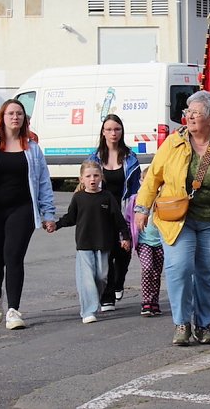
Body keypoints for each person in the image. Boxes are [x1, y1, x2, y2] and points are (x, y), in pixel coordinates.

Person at [133, 91, 210, 346]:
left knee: (208, 274)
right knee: (179, 268)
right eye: (188, 112)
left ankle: (204, 325)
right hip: (178, 219)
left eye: (196, 113)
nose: (190, 117)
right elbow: (153, 177)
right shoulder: (173, 143)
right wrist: (142, 209)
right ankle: (182, 323)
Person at [0, 99, 57, 330]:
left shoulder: (32, 148)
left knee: (14, 257)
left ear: (25, 119)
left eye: (19, 114)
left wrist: (48, 213)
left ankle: (14, 310)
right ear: (2, 118)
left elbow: (43, 183)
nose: (15, 117)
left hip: (22, 210)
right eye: (11, 113)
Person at [50, 160, 131, 324]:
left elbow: (118, 219)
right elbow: (70, 217)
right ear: (81, 179)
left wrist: (125, 237)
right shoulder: (78, 197)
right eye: (88, 176)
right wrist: (56, 225)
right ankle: (88, 311)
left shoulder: (107, 197)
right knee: (87, 278)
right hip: (84, 244)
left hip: (103, 244)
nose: (92, 179)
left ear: (101, 177)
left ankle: (95, 299)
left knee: (101, 277)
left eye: (95, 175)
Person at [89, 114, 141, 311]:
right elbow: (87, 183)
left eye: (117, 129)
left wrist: (138, 210)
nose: (113, 133)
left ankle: (119, 282)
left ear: (122, 132)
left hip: (125, 210)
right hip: (103, 212)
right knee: (106, 253)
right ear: (103, 132)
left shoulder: (130, 158)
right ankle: (107, 295)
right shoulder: (94, 158)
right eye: (109, 129)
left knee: (123, 254)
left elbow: (136, 188)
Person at [124, 168, 164, 316]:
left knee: (157, 273)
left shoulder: (162, 199)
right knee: (147, 269)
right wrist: (126, 237)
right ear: (141, 182)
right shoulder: (136, 199)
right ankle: (146, 301)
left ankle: (154, 301)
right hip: (143, 241)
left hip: (160, 242)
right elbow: (128, 220)